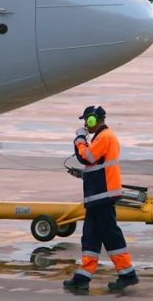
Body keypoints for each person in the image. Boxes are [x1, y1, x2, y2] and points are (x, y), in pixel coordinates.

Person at [63, 105, 139, 293]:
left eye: (86, 121)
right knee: (91, 235)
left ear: (93, 120)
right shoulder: (102, 137)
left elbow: (86, 157)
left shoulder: (104, 137)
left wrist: (80, 139)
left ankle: (127, 274)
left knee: (109, 234)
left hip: (102, 195)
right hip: (97, 195)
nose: (85, 125)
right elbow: (96, 164)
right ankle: (83, 277)